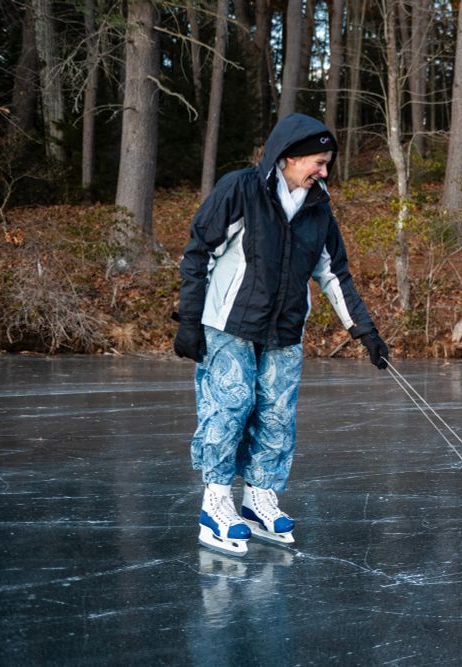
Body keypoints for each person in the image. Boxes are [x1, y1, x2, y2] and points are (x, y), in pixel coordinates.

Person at [174, 113, 388, 556]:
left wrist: (364, 331)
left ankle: (259, 498)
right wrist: (190, 321)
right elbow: (199, 254)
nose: (324, 172)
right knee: (230, 408)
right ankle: (216, 501)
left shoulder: (318, 209)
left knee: (276, 416)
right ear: (287, 158)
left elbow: (333, 274)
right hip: (230, 324)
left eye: (327, 163)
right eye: (318, 162)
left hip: (285, 329)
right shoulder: (242, 189)